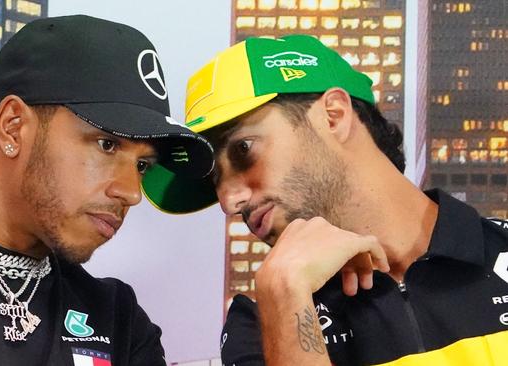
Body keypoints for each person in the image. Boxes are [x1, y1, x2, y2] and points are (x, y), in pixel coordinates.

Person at [0, 15, 214, 365]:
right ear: (13, 127)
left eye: (142, 165)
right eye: (107, 145)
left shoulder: (118, 318)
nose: (131, 192)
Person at [142, 35, 508, 365]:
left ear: (333, 116)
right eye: (214, 181)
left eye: (243, 150)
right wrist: (286, 299)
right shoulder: (262, 320)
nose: (228, 200)